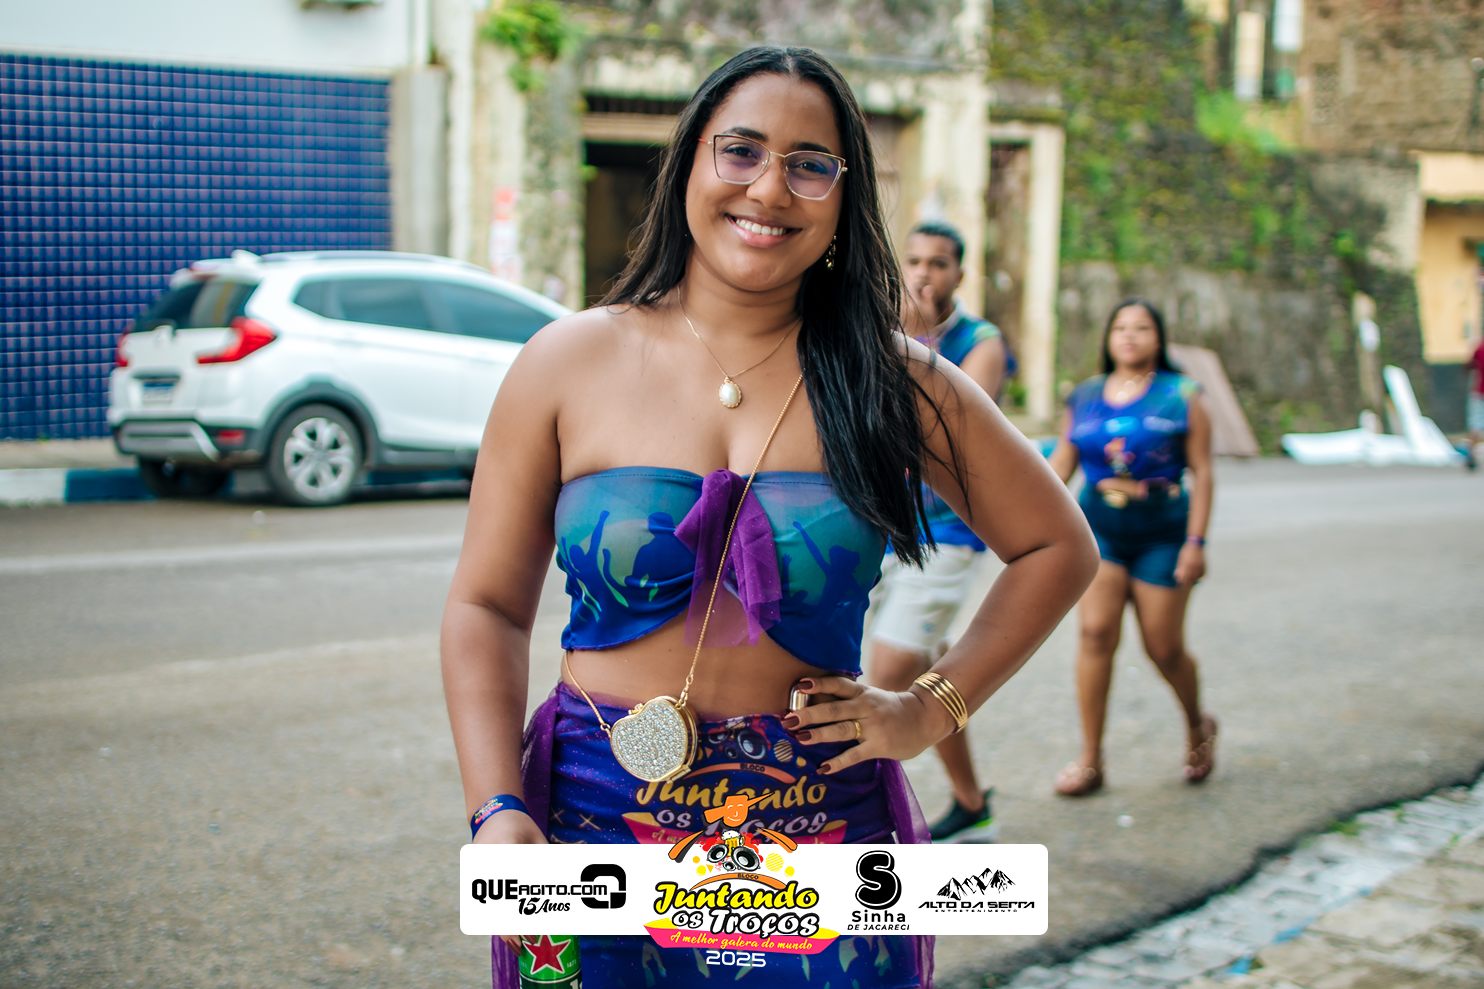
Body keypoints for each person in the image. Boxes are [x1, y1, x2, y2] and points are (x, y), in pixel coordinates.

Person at [441, 46, 1098, 989]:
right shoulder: (565, 361)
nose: (769, 189)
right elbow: (487, 607)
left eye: (810, 164)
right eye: (741, 150)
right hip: (589, 819)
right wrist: (496, 805)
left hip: (821, 834)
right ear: (690, 165)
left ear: (843, 196)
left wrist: (927, 708)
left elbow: (1056, 546)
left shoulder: (895, 381)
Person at [867, 220, 1010, 842]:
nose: (924, 273)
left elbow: (948, 429)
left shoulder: (982, 342)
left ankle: (865, 825)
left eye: (939, 263)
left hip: (946, 531)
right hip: (882, 523)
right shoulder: (880, 328)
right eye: (915, 261)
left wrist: (910, 338)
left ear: (960, 273)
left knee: (888, 671)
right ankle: (972, 802)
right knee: (928, 672)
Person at [1046, 298, 1217, 797]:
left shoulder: (1182, 394)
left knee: (1163, 647)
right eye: (1120, 327)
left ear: (1158, 338)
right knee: (1095, 634)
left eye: (1141, 327)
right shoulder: (1085, 396)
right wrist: (1028, 521)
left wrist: (1195, 543)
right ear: (1108, 337)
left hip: (1162, 531)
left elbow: (1203, 471)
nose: (1129, 335)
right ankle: (1091, 759)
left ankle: (1198, 725)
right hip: (1099, 528)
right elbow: (1061, 465)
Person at [1465, 335, 1484, 470]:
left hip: (1479, 391)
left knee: (1475, 424)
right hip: (1479, 392)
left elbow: (1468, 365)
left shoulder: (1480, 347)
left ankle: (1470, 455)